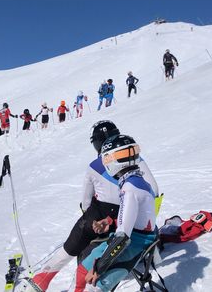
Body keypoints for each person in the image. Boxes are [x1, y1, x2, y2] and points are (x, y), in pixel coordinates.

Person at [18, 121, 122, 292]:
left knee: (70, 246)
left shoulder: (95, 166)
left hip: (98, 218)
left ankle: (40, 281)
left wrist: (89, 217)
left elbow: (86, 202)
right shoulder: (136, 159)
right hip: (126, 221)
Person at [75, 133, 157, 292]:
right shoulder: (136, 180)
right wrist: (109, 221)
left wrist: (98, 267)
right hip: (130, 237)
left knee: (94, 287)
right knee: (81, 272)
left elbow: (122, 238)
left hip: (135, 244)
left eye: (106, 160)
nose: (105, 164)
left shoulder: (130, 188)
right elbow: (133, 215)